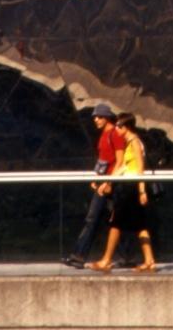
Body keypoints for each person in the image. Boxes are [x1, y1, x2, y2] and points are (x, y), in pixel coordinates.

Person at [88, 112, 157, 272]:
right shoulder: (129, 143)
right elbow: (124, 166)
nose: (116, 129)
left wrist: (141, 191)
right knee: (140, 224)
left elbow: (140, 168)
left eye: (119, 126)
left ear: (126, 127)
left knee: (116, 222)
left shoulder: (134, 142)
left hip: (130, 187)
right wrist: (108, 181)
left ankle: (106, 260)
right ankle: (149, 260)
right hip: (127, 185)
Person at [62, 102, 125, 269]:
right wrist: (96, 178)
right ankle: (123, 256)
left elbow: (120, 162)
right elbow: (102, 161)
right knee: (110, 221)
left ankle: (79, 255)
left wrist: (109, 182)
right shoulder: (104, 136)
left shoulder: (115, 135)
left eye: (99, 117)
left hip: (110, 186)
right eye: (95, 117)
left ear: (107, 118)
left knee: (96, 219)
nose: (96, 120)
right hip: (103, 184)